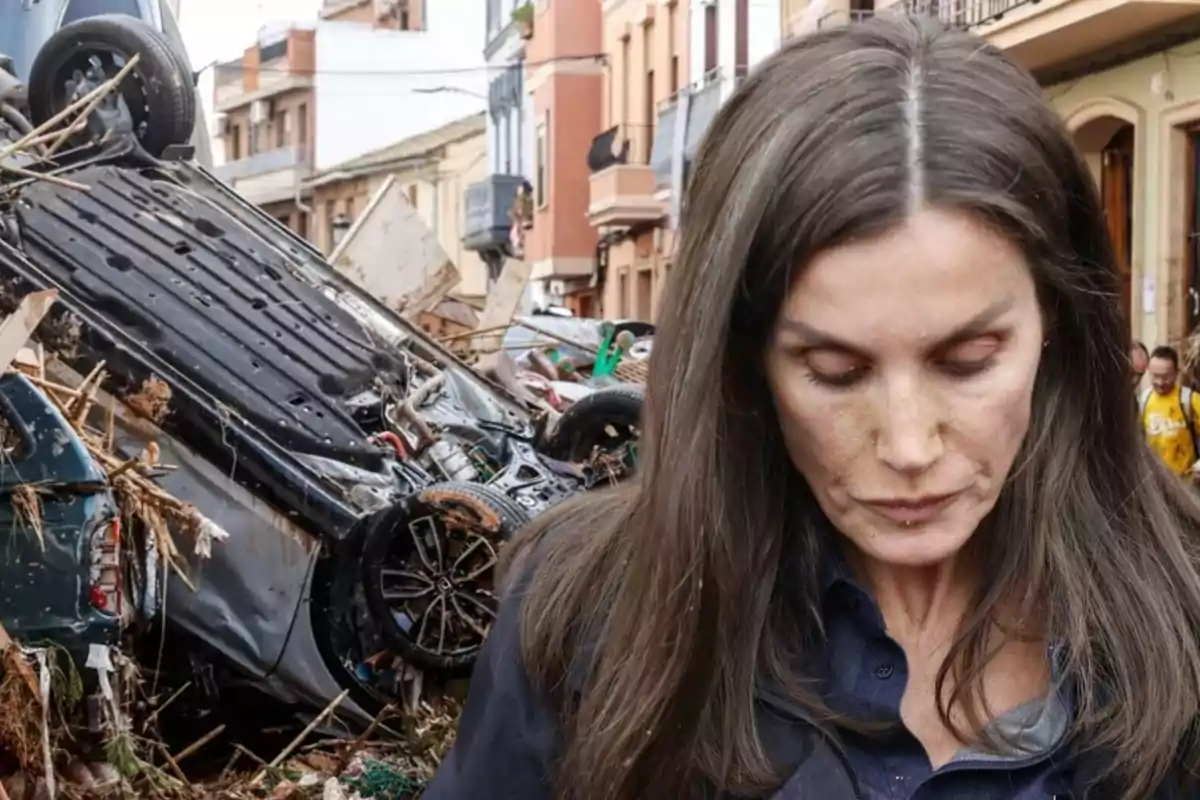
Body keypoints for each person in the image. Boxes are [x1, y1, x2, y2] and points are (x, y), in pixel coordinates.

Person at [425, 16, 1200, 800]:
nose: (908, 446)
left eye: (967, 363)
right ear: (745, 360)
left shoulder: (1184, 610)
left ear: (1056, 330)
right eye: (834, 371)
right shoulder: (586, 620)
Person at [1139, 345, 1200, 478]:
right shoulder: (1144, 401)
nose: (1160, 382)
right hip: (1155, 482)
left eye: (1166, 377)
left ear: (1177, 373)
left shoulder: (1190, 400)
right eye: (1155, 376)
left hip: (1186, 484)